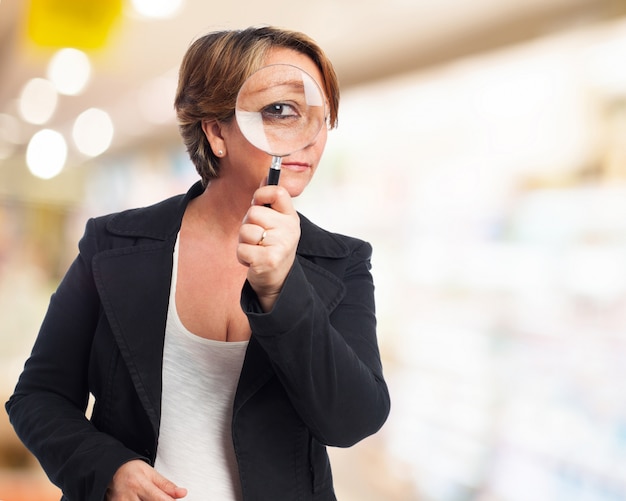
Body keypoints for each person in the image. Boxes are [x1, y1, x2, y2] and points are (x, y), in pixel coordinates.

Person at [5, 26, 390, 501]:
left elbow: (352, 420)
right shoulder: (111, 243)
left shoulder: (343, 261)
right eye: (281, 110)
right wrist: (108, 470)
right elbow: (38, 397)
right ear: (216, 131)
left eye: (320, 115)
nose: (309, 138)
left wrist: (282, 290)